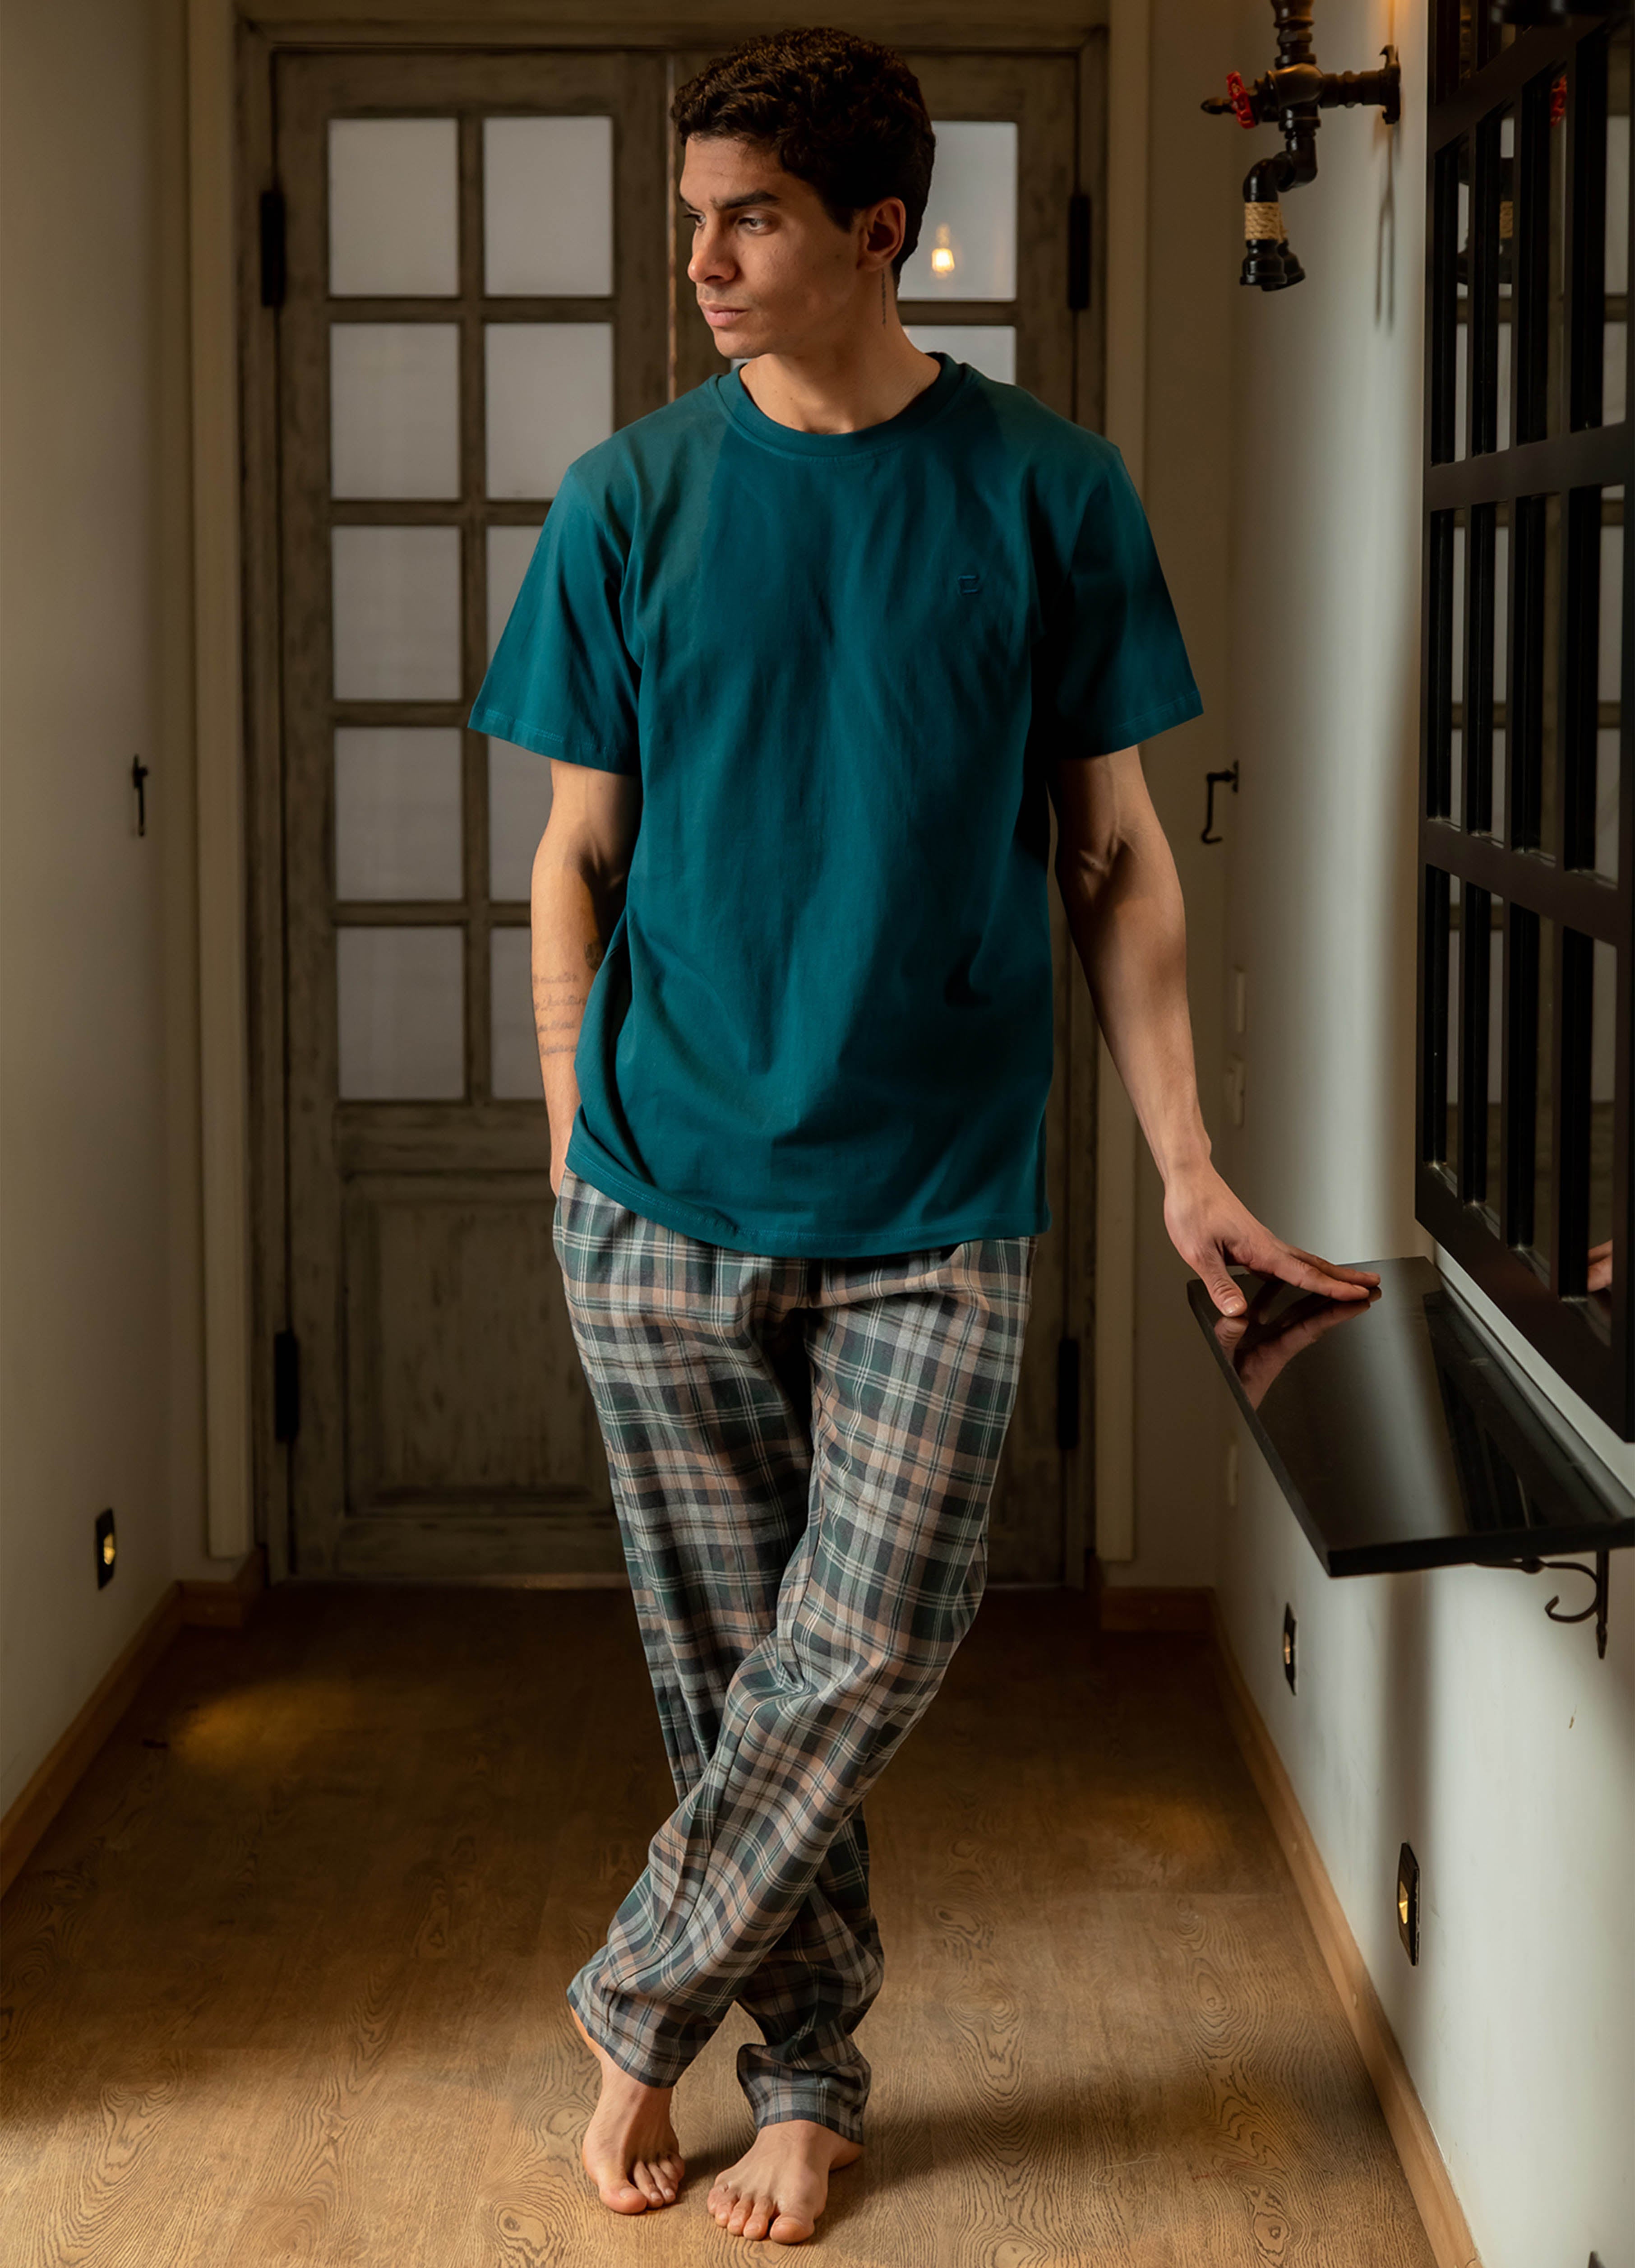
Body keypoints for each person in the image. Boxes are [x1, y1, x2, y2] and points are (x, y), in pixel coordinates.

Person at [471, 23, 1378, 2245]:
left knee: (866, 1640)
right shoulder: (626, 500)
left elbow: (1117, 855)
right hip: (660, 1192)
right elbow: (576, 855)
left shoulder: (1049, 490)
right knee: (733, 1687)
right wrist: (576, 1130)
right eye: (692, 219)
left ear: (880, 231)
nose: (703, 261)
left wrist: (1185, 1164)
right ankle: (808, 2083)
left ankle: (633, 2000)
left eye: (752, 219)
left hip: (941, 1205)